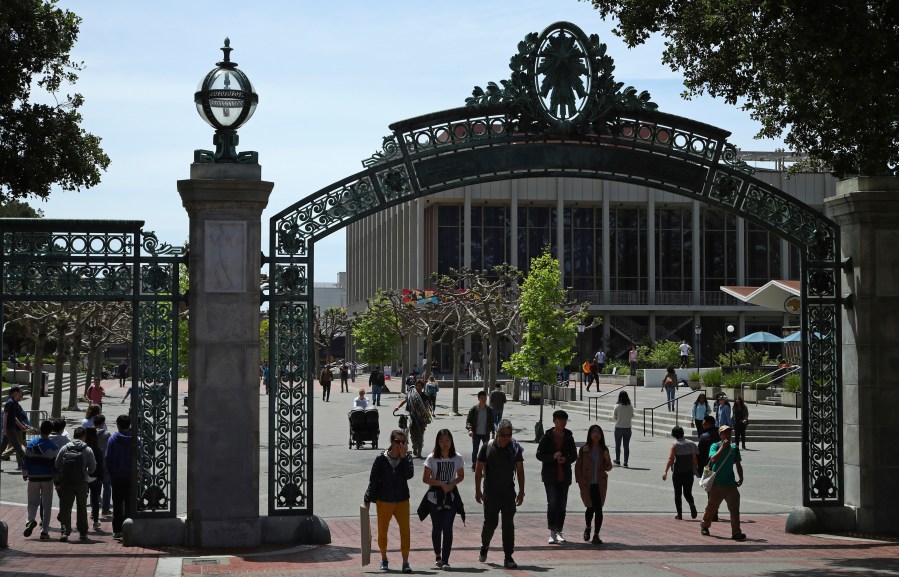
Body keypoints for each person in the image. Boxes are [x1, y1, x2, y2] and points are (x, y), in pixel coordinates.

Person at [363, 428, 415, 573]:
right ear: (391, 442)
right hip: (384, 501)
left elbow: (409, 475)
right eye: (398, 441)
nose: (401, 444)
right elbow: (373, 480)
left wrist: (404, 458)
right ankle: (384, 558)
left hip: (402, 501)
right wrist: (367, 500)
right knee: (382, 532)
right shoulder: (381, 458)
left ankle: (405, 562)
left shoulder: (407, 458)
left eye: (404, 442)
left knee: (405, 532)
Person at [475, 418, 525, 570]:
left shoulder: (515, 449)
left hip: (508, 493)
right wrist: (478, 490)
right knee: (491, 523)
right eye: (503, 434)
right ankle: (485, 545)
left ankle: (508, 556)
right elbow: (478, 470)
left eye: (508, 435)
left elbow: (520, 471)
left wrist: (521, 492)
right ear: (497, 433)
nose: (505, 438)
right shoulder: (487, 447)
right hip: (491, 492)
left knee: (508, 525)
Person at [420, 429, 465, 569]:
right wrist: (440, 483)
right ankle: (437, 555)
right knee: (437, 527)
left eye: (447, 441)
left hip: (450, 497)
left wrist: (452, 484)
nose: (445, 444)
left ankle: (445, 560)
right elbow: (425, 479)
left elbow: (461, 476)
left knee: (448, 527)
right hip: (434, 498)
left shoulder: (457, 457)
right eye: (441, 441)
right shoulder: (431, 458)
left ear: (451, 441)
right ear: (437, 442)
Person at [535, 409, 578, 544]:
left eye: (565, 420)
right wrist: (552, 456)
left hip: (564, 476)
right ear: (554, 421)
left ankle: (559, 531)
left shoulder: (569, 437)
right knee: (552, 503)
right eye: (560, 420)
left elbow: (574, 455)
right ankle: (552, 532)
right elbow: (539, 454)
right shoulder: (547, 437)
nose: (563, 422)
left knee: (562, 505)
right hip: (550, 476)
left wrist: (565, 459)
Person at [700, 425, 746, 540]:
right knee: (712, 507)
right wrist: (722, 448)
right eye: (725, 433)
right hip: (717, 484)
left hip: (730, 484)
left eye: (729, 432)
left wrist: (741, 477)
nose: (728, 435)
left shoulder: (734, 447)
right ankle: (705, 525)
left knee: (734, 509)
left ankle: (736, 532)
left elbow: (738, 463)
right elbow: (713, 459)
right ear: (720, 435)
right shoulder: (715, 446)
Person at [54, 426, 97, 541]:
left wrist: (58, 481)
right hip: (82, 482)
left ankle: (64, 531)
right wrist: (86, 471)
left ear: (74, 436)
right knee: (82, 507)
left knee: (65, 507)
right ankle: (83, 532)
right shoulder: (88, 450)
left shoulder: (64, 448)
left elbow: (57, 465)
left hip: (66, 482)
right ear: (84, 436)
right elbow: (93, 468)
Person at [574, 424, 612, 544]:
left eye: (598, 432)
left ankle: (596, 535)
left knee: (599, 509)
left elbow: (608, 468)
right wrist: (580, 482)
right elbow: (578, 467)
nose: (596, 434)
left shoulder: (604, 450)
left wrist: (607, 459)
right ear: (590, 434)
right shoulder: (584, 449)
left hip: (600, 484)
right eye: (594, 432)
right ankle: (588, 527)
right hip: (587, 484)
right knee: (590, 508)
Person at [22, 420, 59, 540]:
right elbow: (55, 466)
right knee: (47, 504)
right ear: (50, 431)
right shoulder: (53, 447)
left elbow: (26, 461)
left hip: (33, 477)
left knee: (32, 502)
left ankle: (31, 520)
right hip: (47, 478)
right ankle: (44, 531)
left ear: (40, 429)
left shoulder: (30, 444)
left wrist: (25, 472)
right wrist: (57, 481)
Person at [105, 414, 133, 539]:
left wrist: (110, 472)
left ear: (118, 425)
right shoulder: (135, 439)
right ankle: (129, 528)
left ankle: (117, 530)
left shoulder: (113, 439)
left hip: (116, 476)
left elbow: (108, 458)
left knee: (117, 504)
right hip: (131, 476)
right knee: (129, 503)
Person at [662, 426, 699, 520]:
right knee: (687, 492)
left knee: (677, 493)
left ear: (674, 435)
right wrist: (695, 469)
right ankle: (692, 504)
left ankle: (679, 514)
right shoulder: (691, 444)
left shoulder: (674, 445)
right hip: (688, 472)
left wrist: (665, 471)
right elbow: (694, 459)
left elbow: (671, 459)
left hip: (678, 472)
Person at [396, 380, 432, 458]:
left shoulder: (425, 396)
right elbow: (405, 401)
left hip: (421, 419)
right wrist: (398, 407)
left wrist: (423, 412)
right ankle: (414, 447)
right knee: (413, 435)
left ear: (422, 387)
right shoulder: (411, 395)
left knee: (420, 435)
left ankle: (419, 451)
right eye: (417, 385)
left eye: (420, 386)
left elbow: (426, 405)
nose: (418, 387)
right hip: (412, 418)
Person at [83, 426, 106, 532]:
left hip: (83, 476)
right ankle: (95, 521)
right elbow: (101, 465)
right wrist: (101, 477)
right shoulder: (98, 449)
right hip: (95, 476)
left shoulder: (83, 447)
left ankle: (82, 522)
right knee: (95, 499)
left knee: (82, 499)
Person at [0, 385, 29, 469]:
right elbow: (5, 415)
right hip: (9, 428)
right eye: (19, 391)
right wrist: (4, 429)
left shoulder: (13, 402)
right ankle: (28, 464)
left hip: (11, 427)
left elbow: (14, 417)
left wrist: (21, 425)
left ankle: (26, 464)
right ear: (15, 393)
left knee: (3, 446)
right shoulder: (10, 402)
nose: (20, 393)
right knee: (18, 446)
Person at [466, 390, 494, 470]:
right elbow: (469, 421)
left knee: (486, 450)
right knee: (475, 450)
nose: (484, 399)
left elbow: (491, 422)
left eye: (485, 398)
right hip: (476, 433)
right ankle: (474, 463)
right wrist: (470, 430)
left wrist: (493, 432)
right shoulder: (474, 409)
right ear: (478, 399)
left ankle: (485, 464)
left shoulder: (489, 410)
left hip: (486, 433)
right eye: (482, 398)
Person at [93, 414, 112, 515]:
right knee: (107, 486)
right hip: (105, 463)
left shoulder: (89, 433)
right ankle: (105, 508)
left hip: (93, 464)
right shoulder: (107, 434)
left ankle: (94, 510)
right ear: (102, 423)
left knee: (94, 488)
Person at [612, 390, 634, 467]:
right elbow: (631, 416)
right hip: (628, 428)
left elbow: (615, 417)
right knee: (626, 445)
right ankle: (625, 461)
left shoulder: (617, 406)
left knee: (618, 444)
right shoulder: (630, 406)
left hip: (618, 427)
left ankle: (617, 459)